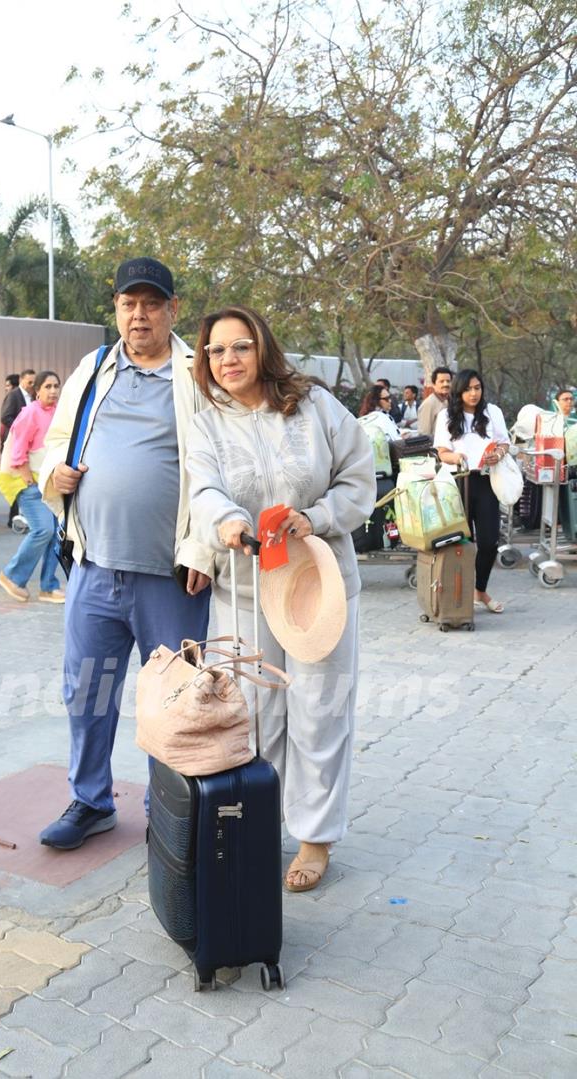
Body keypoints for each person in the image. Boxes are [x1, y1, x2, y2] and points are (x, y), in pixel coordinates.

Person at [187, 304, 375, 892]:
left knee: (319, 709)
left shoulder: (314, 405)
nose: (227, 360)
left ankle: (315, 837)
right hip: (244, 587)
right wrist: (224, 522)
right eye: (215, 351)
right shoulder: (206, 420)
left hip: (318, 584)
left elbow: (359, 474)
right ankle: (260, 823)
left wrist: (315, 517)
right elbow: (204, 487)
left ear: (262, 347)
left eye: (238, 346)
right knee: (256, 713)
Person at [37, 256, 213, 851]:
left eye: (151, 304)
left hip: (172, 576)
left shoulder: (198, 375)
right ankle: (90, 802)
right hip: (92, 568)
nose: (139, 314)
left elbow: (220, 470)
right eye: (128, 303)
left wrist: (204, 548)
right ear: (115, 307)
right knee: (86, 694)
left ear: (172, 310)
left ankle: (172, 812)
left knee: (178, 703)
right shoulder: (93, 368)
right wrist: (52, 473)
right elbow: (56, 442)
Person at [433, 369, 510, 613]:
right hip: (458, 483)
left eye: (477, 388)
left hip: (486, 481)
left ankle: (480, 590)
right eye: (468, 389)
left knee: (489, 541)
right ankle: (459, 594)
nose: (474, 393)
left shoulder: (492, 412)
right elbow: (442, 452)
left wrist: (497, 454)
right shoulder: (446, 416)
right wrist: (454, 456)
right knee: (460, 542)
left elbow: (504, 443)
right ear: (459, 391)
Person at [0, 371, 65, 604]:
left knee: (57, 534)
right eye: (48, 386)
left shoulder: (58, 413)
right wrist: (27, 478)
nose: (53, 391)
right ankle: (12, 575)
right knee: (43, 530)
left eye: (56, 386)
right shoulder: (29, 413)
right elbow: (17, 449)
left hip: (48, 481)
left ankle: (48, 586)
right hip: (27, 481)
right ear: (37, 390)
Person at [0, 369, 36, 447]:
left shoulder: (34, 396)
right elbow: (5, 417)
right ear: (21, 380)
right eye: (30, 382)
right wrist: (21, 428)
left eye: (34, 382)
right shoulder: (13, 395)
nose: (32, 385)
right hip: (15, 439)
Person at [417, 367, 452, 436]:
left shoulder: (449, 401)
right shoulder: (429, 404)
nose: (446, 384)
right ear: (434, 384)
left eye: (448, 381)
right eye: (441, 381)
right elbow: (424, 434)